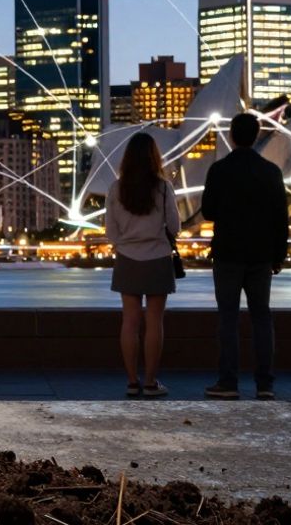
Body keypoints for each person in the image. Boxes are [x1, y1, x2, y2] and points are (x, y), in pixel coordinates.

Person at [200, 113, 287, 400]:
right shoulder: (271, 171)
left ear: (232, 136)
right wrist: (279, 255)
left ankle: (228, 382)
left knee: (228, 318)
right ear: (258, 135)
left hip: (228, 253)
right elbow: (280, 218)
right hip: (261, 254)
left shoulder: (220, 170)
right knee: (262, 317)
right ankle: (265, 384)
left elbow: (209, 211)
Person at [105, 132, 180, 398]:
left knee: (130, 321)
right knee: (154, 322)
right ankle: (150, 382)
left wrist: (126, 242)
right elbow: (175, 226)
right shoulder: (163, 188)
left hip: (127, 259)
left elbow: (110, 231)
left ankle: (131, 381)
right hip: (158, 257)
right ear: (154, 158)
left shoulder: (116, 188)